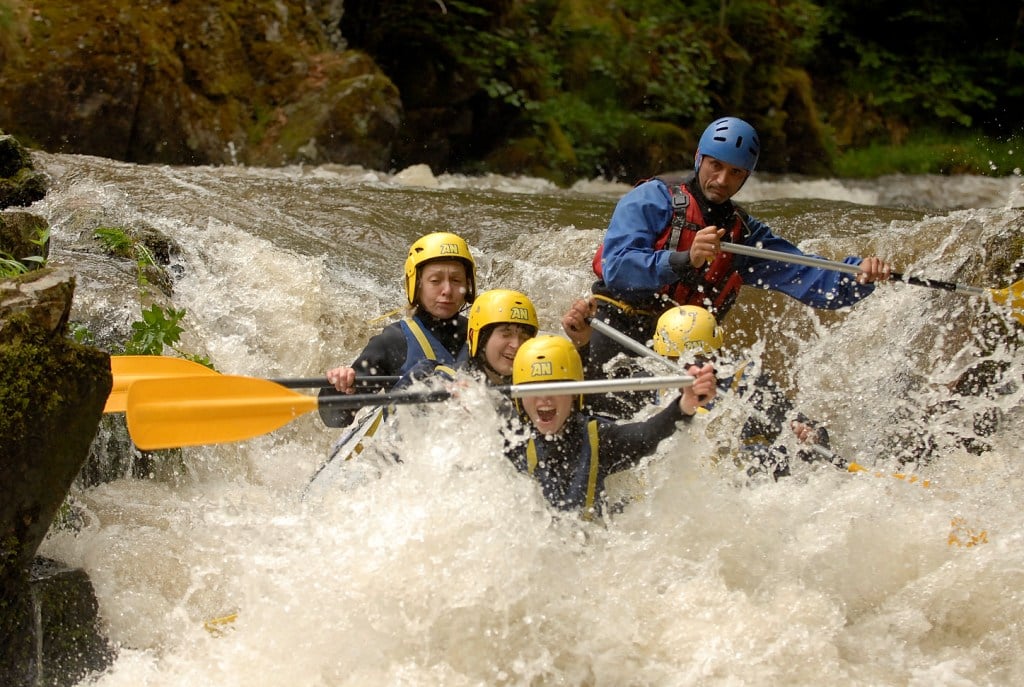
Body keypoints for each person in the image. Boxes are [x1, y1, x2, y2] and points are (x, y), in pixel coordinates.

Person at [585, 115, 892, 374]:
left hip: (686, 348)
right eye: (715, 166)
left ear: (746, 177)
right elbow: (618, 269)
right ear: (698, 159)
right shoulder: (651, 199)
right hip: (620, 326)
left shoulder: (742, 234)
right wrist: (685, 259)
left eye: (735, 173)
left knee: (771, 410)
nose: (721, 180)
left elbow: (808, 276)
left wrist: (856, 275)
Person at [505, 334, 717, 518]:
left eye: (555, 386)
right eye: (532, 388)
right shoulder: (511, 439)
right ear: (519, 398)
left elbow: (648, 434)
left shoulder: (599, 439)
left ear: (574, 393)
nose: (544, 398)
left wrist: (684, 405)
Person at [319, 231, 476, 428]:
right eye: (435, 281)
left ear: (468, 286)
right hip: (410, 451)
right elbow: (335, 418)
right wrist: (338, 386)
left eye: (456, 280)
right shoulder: (393, 342)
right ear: (417, 285)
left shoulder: (484, 336)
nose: (447, 290)